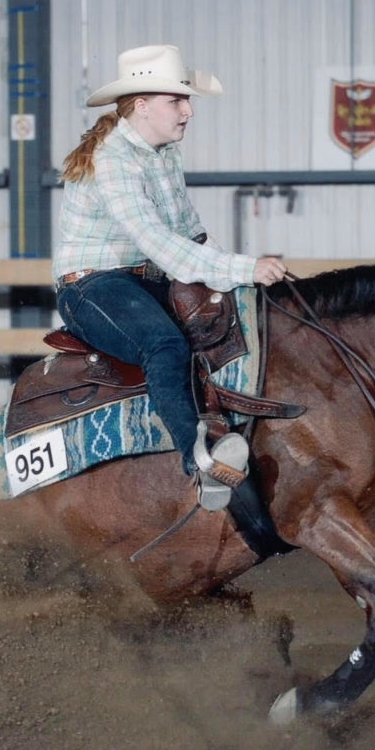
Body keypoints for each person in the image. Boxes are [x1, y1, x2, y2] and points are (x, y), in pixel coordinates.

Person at [53, 44, 288, 512]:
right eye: (176, 101)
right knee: (164, 346)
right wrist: (244, 268)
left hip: (146, 281)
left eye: (187, 100)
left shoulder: (163, 155)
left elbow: (191, 235)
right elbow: (158, 241)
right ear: (141, 106)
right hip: (92, 286)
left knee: (232, 322)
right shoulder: (112, 159)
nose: (189, 111)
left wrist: (246, 281)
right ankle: (197, 457)